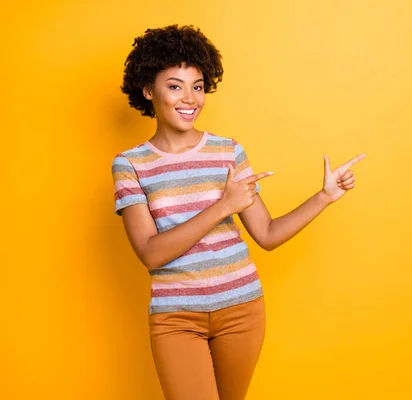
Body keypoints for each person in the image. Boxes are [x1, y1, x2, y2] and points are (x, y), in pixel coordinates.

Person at [112, 24, 365, 400]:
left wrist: (324, 196)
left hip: (243, 310)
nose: (190, 98)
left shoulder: (228, 152)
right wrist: (224, 206)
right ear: (148, 90)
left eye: (197, 86)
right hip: (177, 317)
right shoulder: (130, 164)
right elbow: (151, 252)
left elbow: (267, 235)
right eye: (175, 85)